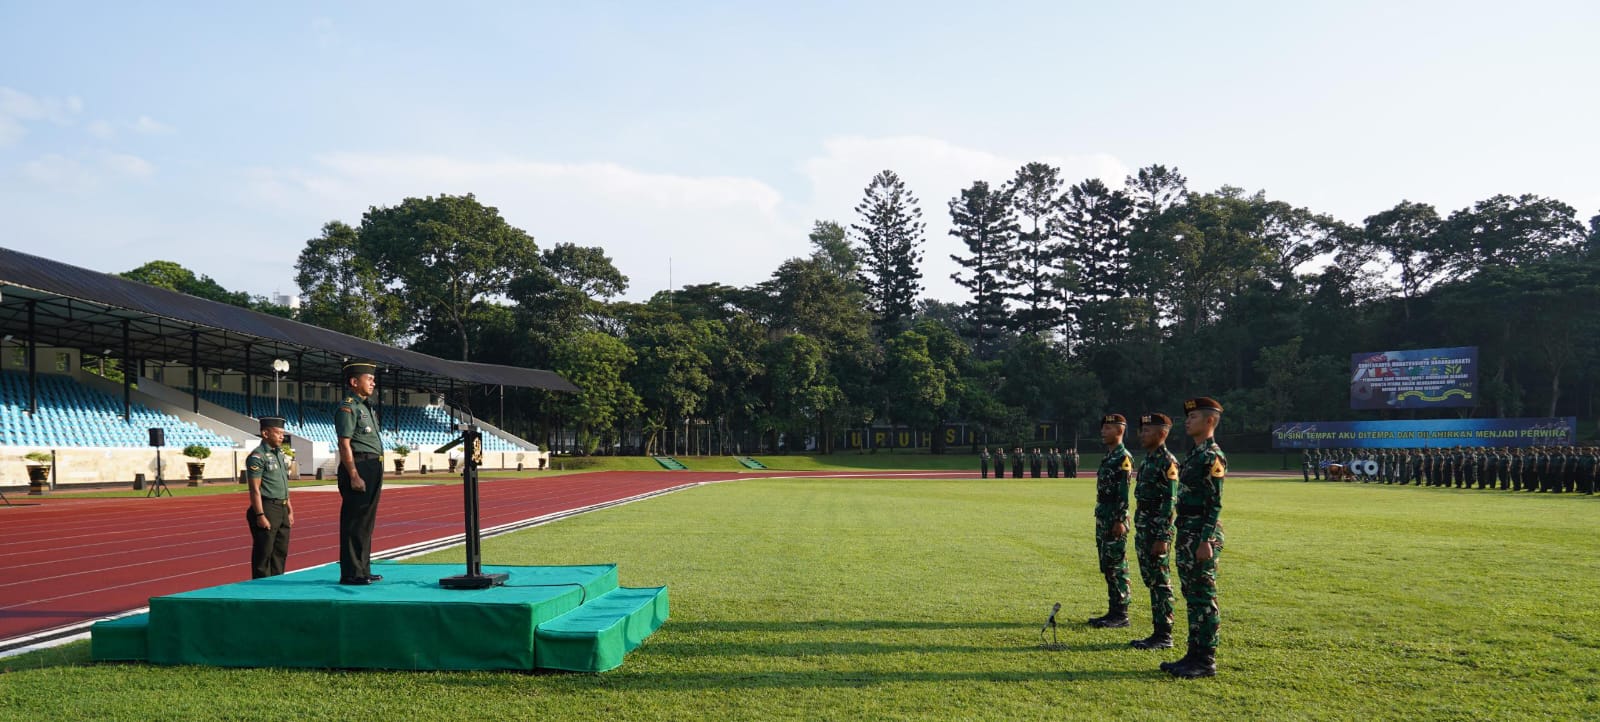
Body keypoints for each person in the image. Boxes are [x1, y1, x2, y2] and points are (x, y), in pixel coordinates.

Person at [1161, 396, 1226, 679]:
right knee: (1192, 595)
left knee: (1204, 597)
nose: (1187, 421)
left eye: (1194, 417)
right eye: (1187, 417)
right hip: (1188, 532)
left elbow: (1215, 503)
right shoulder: (1195, 453)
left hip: (1201, 534)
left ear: (1210, 421)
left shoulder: (1212, 456)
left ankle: (1205, 660)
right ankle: (1193, 655)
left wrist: (1206, 540)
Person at [1130, 413, 1178, 650]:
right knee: (1151, 579)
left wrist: (1163, 537)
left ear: (1162, 433)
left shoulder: (1167, 462)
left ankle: (1163, 634)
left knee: (1160, 581)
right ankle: (1158, 632)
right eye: (1142, 430)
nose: (1142, 434)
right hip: (1145, 527)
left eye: (1147, 430)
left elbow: (1170, 502)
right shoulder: (1148, 460)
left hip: (1156, 530)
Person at [336, 360, 384, 585]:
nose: (373, 382)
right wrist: (354, 474)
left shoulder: (366, 407)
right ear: (354, 382)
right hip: (359, 465)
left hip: (372, 466)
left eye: (374, 379)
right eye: (369, 378)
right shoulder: (348, 407)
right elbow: (344, 443)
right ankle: (351, 573)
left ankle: (363, 569)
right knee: (354, 522)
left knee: (366, 522)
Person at [1087, 414, 1133, 629]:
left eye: (1108, 428)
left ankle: (1121, 613)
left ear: (1119, 431)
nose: (1102, 432)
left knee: (1116, 566)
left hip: (1115, 518)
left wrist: (1120, 519)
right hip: (1105, 516)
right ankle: (1113, 611)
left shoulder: (1123, 457)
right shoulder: (1110, 456)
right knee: (1107, 565)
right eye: (1103, 428)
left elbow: (1123, 493)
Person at [245, 416, 294, 579]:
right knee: (264, 552)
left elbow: (284, 484)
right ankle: (260, 586)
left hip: (282, 507)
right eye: (278, 433)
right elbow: (254, 489)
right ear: (265, 433)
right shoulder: (258, 457)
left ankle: (277, 582)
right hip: (268, 507)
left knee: (280, 551)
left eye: (283, 433)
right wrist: (260, 515)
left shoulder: (279, 454)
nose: (282, 436)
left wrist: (289, 509)